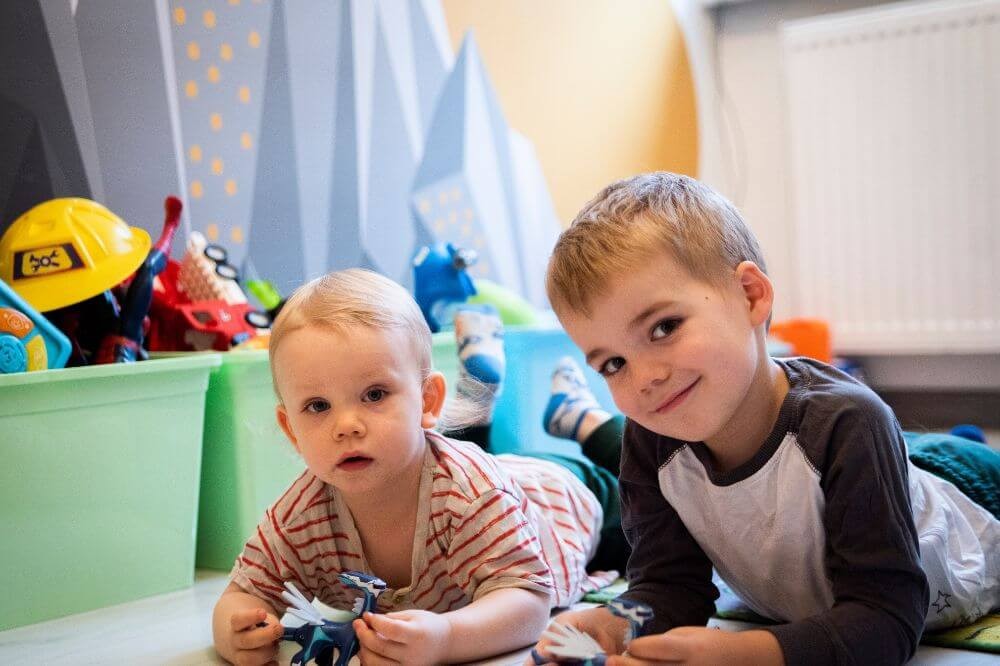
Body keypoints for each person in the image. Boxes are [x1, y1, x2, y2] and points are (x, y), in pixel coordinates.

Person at [528, 172, 1000, 666]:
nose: (643, 377)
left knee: (940, 457)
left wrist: (749, 653)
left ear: (751, 296)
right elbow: (669, 589)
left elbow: (885, 620)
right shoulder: (650, 439)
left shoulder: (849, 423)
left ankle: (948, 445)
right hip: (869, 460)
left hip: (970, 493)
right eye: (613, 364)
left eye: (663, 327)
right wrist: (616, 623)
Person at [211, 269, 622, 666]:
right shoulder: (299, 519)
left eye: (374, 394)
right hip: (490, 477)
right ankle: (571, 414)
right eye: (318, 406)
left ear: (427, 402)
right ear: (291, 429)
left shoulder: (471, 494)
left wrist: (447, 638)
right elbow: (242, 593)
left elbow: (529, 603)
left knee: (650, 482)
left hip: (565, 498)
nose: (346, 426)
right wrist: (235, 629)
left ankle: (590, 422)